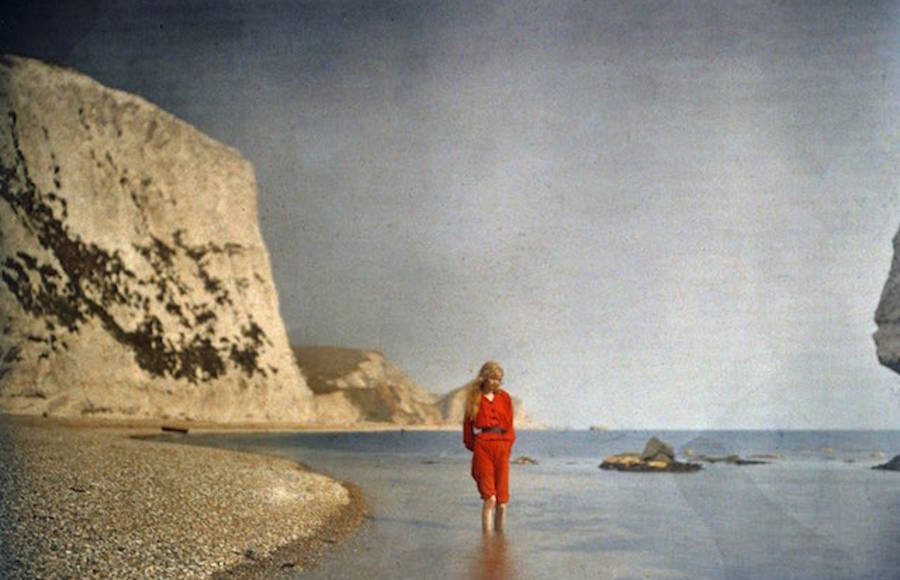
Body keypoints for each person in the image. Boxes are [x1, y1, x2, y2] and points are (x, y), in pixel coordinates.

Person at [463, 361, 516, 533]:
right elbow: (467, 428)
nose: (495, 382)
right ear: (484, 377)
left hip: (502, 446)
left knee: (502, 501)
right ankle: (486, 541)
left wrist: (507, 445)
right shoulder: (474, 398)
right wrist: (475, 447)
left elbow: (510, 425)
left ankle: (500, 541)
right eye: (493, 378)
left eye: (499, 379)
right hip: (483, 447)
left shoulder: (505, 398)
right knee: (490, 498)